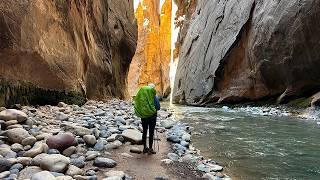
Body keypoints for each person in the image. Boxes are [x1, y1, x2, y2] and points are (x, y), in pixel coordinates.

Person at [134, 83, 160, 154]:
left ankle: (145, 148)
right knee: (151, 133)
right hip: (152, 117)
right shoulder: (154, 97)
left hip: (144, 117)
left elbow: (138, 105)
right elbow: (158, 107)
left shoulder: (142, 97)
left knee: (144, 132)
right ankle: (150, 149)